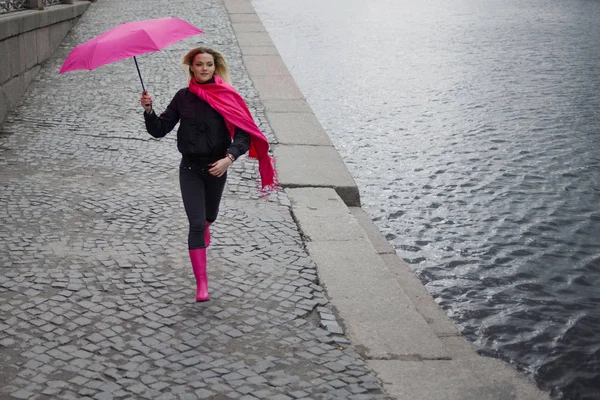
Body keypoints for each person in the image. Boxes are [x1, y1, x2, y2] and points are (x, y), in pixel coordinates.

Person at [140, 47, 276, 302]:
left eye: (209, 64)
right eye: (199, 64)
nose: (204, 68)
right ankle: (202, 284)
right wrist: (149, 111)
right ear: (191, 67)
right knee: (196, 224)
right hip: (190, 168)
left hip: (217, 169)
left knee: (209, 216)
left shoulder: (227, 97)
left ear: (215, 67)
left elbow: (243, 135)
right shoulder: (183, 97)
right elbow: (160, 130)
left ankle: (207, 226)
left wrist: (229, 159)